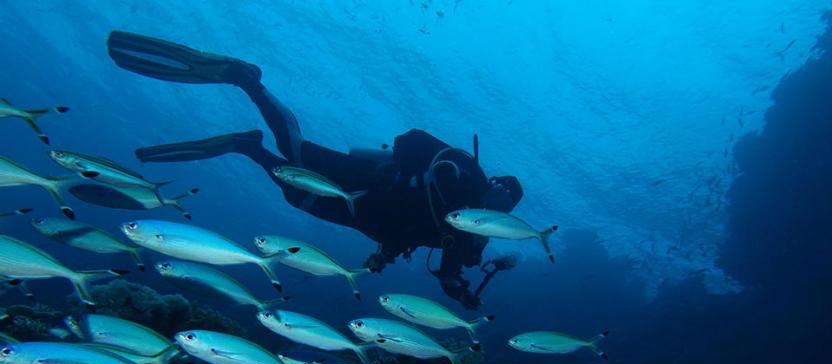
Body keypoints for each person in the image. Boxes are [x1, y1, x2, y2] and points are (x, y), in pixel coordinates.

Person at [107, 32, 523, 310]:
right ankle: (247, 80)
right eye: (501, 189)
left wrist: (460, 293)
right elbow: (431, 153)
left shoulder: (474, 236)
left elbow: (445, 268)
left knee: (295, 195)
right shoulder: (469, 172)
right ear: (495, 182)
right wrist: (430, 176)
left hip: (364, 218)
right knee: (296, 151)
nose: (499, 198)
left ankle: (247, 146)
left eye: (507, 202)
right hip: (369, 180)